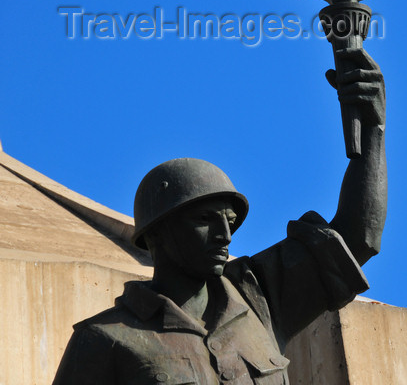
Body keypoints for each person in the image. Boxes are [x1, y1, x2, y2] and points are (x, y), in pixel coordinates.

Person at [52, 47, 386, 384]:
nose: (224, 235)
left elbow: (358, 239)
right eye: (205, 219)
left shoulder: (260, 300)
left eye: (229, 221)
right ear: (156, 233)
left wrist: (373, 129)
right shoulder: (102, 339)